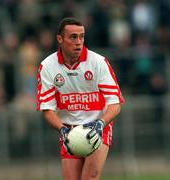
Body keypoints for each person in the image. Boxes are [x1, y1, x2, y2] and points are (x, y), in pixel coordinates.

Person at [37, 17, 124, 180]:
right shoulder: (48, 66)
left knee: (89, 177)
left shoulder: (98, 62)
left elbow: (115, 104)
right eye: (73, 37)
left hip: (98, 126)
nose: (79, 42)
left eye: (82, 36)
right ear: (60, 39)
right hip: (69, 130)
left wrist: (100, 124)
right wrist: (62, 129)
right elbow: (47, 109)